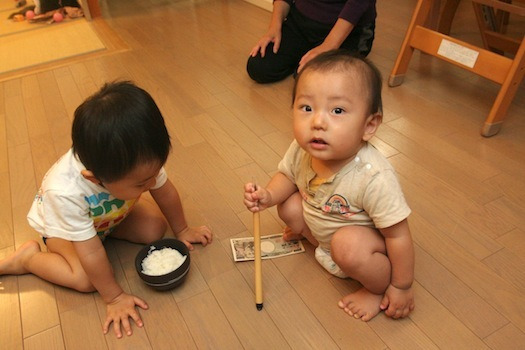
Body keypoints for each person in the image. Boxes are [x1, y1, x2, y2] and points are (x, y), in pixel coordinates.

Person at [0, 81, 213, 338]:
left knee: (155, 228)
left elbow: (164, 190)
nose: (151, 183)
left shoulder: (139, 160)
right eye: (141, 183)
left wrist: (182, 229)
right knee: (86, 280)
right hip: (64, 233)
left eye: (154, 174)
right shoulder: (64, 191)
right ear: (94, 179)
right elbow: (89, 249)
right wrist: (114, 297)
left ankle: (110, 227)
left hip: (107, 218)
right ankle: (27, 259)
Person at [243, 50, 415, 321]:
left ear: (369, 125)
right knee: (287, 203)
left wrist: (401, 286)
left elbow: (398, 236)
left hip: (363, 248)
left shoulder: (373, 176)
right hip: (324, 233)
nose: (318, 122)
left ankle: (374, 288)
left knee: (347, 245)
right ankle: (316, 242)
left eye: (337, 110)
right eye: (306, 108)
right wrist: (268, 196)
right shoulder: (302, 150)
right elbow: (287, 177)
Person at [246, 0, 376, 83]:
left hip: (348, 29)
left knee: (312, 80)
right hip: (302, 20)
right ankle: (302, 58)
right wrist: (274, 28)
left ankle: (305, 61)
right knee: (258, 66)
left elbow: (358, 3)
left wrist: (329, 45)